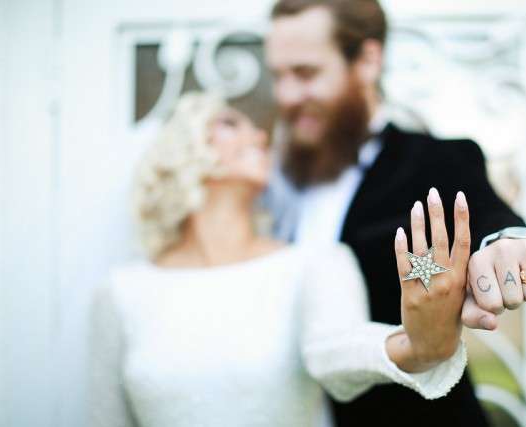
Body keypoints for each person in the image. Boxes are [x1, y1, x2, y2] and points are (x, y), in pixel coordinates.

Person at [89, 92, 478, 427]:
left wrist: (418, 345)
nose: (259, 136)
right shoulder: (123, 291)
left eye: (258, 129)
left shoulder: (314, 263)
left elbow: (335, 354)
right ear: (180, 147)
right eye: (229, 123)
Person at [264, 1, 526, 426]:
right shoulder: (269, 178)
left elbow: (486, 214)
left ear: (368, 60)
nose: (286, 96)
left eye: (306, 73)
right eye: (278, 76)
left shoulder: (434, 161)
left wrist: (509, 242)